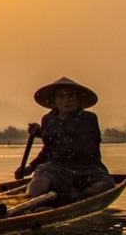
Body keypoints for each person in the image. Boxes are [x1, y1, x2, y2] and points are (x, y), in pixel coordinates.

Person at [16, 77, 115, 206]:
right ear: (55, 101)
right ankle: (28, 206)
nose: (67, 100)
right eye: (61, 96)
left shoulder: (88, 119)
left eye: (71, 96)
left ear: (78, 99)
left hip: (87, 168)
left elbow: (81, 148)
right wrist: (31, 167)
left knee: (103, 186)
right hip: (57, 168)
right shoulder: (48, 119)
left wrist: (44, 135)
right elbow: (48, 149)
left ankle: (76, 201)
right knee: (39, 181)